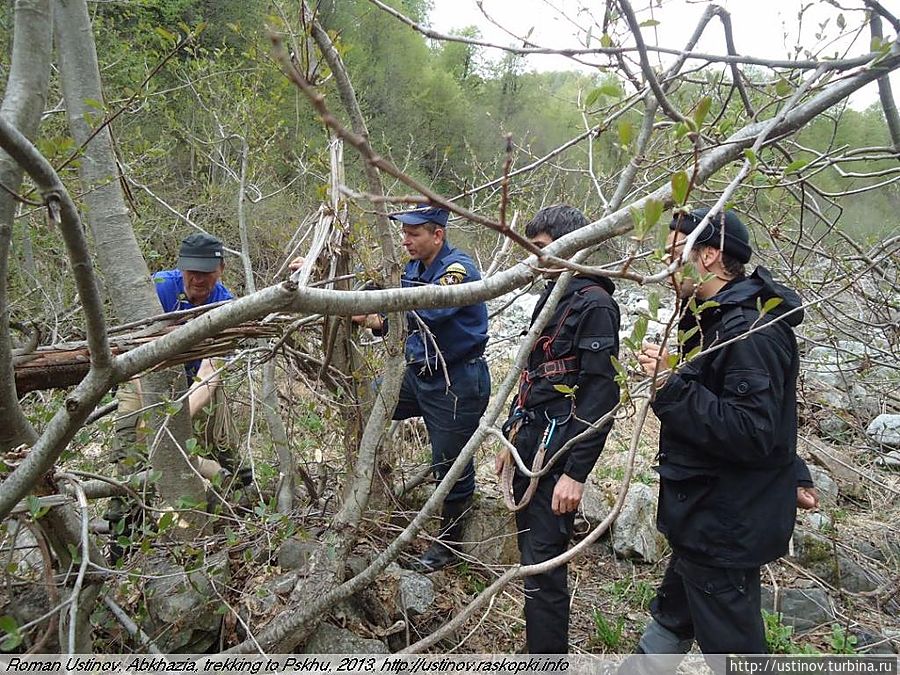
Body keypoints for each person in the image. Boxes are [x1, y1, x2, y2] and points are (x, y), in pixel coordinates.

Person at [635, 207, 818, 658]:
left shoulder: (749, 330)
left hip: (723, 522)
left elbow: (750, 430)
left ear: (711, 255)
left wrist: (670, 384)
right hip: (705, 512)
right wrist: (792, 469)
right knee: (673, 617)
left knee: (735, 651)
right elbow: (768, 417)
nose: (666, 267)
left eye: (676, 254)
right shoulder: (713, 318)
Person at [496, 204, 621, 654]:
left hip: (560, 450)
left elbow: (602, 395)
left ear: (571, 247)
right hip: (531, 440)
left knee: (544, 566)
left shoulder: (596, 305)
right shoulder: (553, 299)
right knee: (532, 558)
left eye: (544, 248)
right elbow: (533, 377)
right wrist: (510, 438)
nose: (536, 257)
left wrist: (576, 472)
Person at [352, 204, 491, 572]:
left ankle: (448, 547)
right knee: (366, 403)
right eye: (404, 234)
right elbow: (403, 325)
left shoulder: (458, 270)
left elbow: (428, 310)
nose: (405, 241)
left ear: (438, 235)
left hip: (455, 380)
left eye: (414, 234)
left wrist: (380, 312)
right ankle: (370, 487)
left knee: (450, 466)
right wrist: (374, 318)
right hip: (417, 374)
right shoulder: (412, 269)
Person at [107, 232, 243, 558]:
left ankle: (239, 500)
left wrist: (174, 417)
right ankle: (124, 531)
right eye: (191, 271)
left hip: (197, 381)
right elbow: (136, 362)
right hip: (145, 378)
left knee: (221, 443)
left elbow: (210, 374)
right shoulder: (157, 290)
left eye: (205, 272)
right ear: (181, 268)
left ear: (221, 269)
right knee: (130, 445)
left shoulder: (227, 304)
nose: (197, 279)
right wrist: (156, 413)